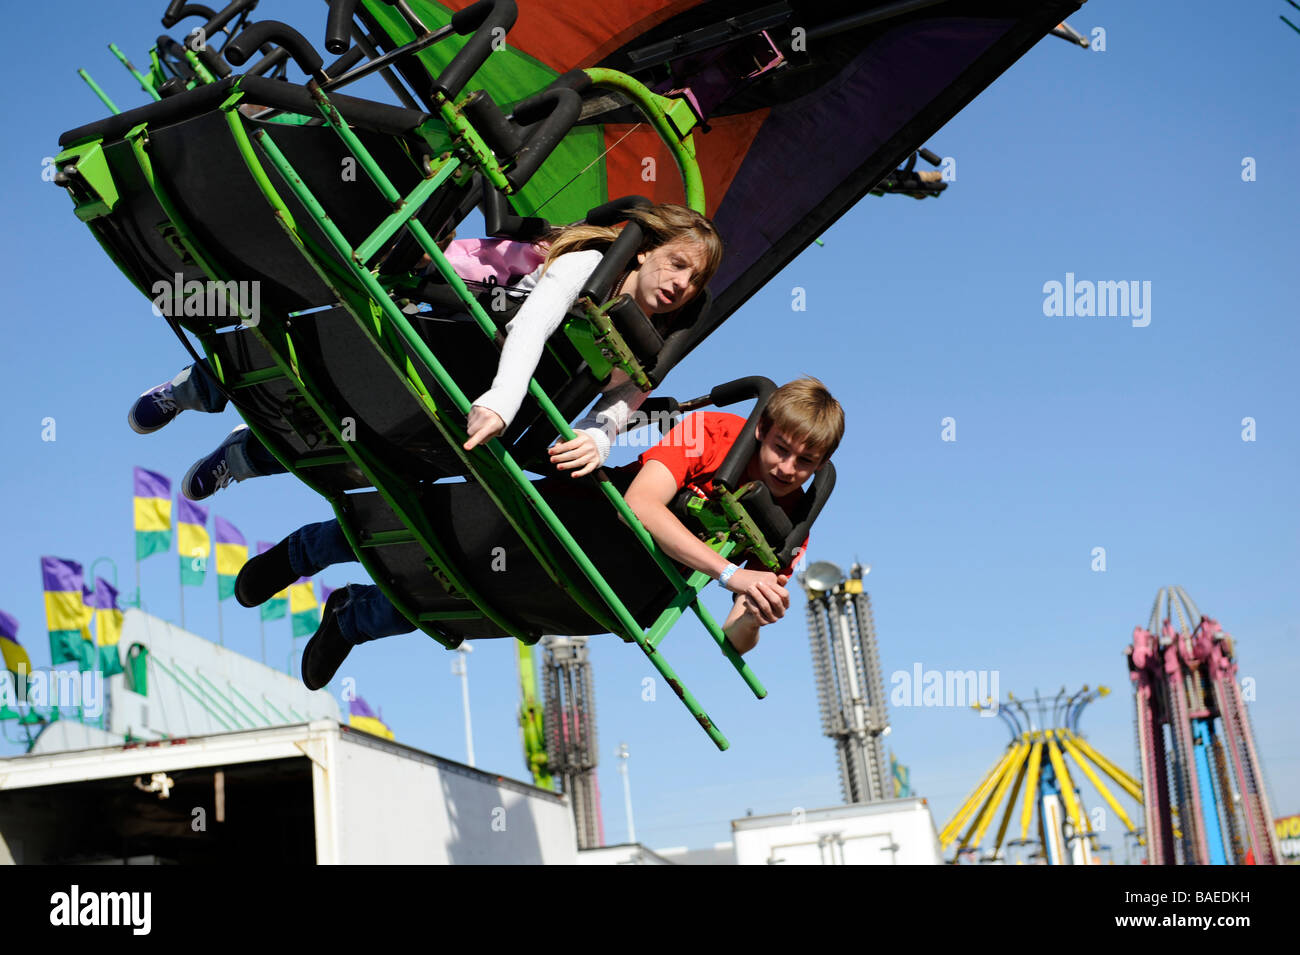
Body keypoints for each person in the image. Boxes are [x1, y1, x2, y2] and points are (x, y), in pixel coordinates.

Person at [234, 378, 845, 689]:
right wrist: (729, 571)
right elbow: (642, 503)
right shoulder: (712, 432)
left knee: (481, 601)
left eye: (804, 463)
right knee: (437, 534)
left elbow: (735, 637)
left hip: (608, 586)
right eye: (781, 449)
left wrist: (753, 616)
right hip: (581, 514)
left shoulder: (788, 530)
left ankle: (351, 619)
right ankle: (304, 551)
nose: (786, 469)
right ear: (761, 429)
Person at [126, 203, 723, 498]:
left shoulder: (644, 338)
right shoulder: (590, 263)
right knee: (332, 354)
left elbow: (626, 396)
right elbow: (535, 323)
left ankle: (246, 456)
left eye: (693, 282)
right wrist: (505, 400)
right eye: (677, 264)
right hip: (455, 334)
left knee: (381, 441)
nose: (680, 285)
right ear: (643, 250)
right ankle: (193, 389)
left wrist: (599, 436)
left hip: (469, 393)